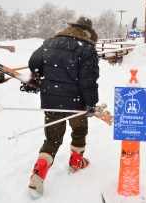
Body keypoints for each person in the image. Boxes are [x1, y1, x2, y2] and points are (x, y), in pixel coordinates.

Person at [25, 16, 100, 196]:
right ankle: (75, 163)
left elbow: (33, 64)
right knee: (79, 131)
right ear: (87, 32)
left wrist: (40, 78)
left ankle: (38, 173)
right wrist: (91, 103)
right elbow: (88, 81)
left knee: (52, 139)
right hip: (76, 104)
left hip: (51, 101)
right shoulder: (87, 49)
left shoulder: (50, 42)